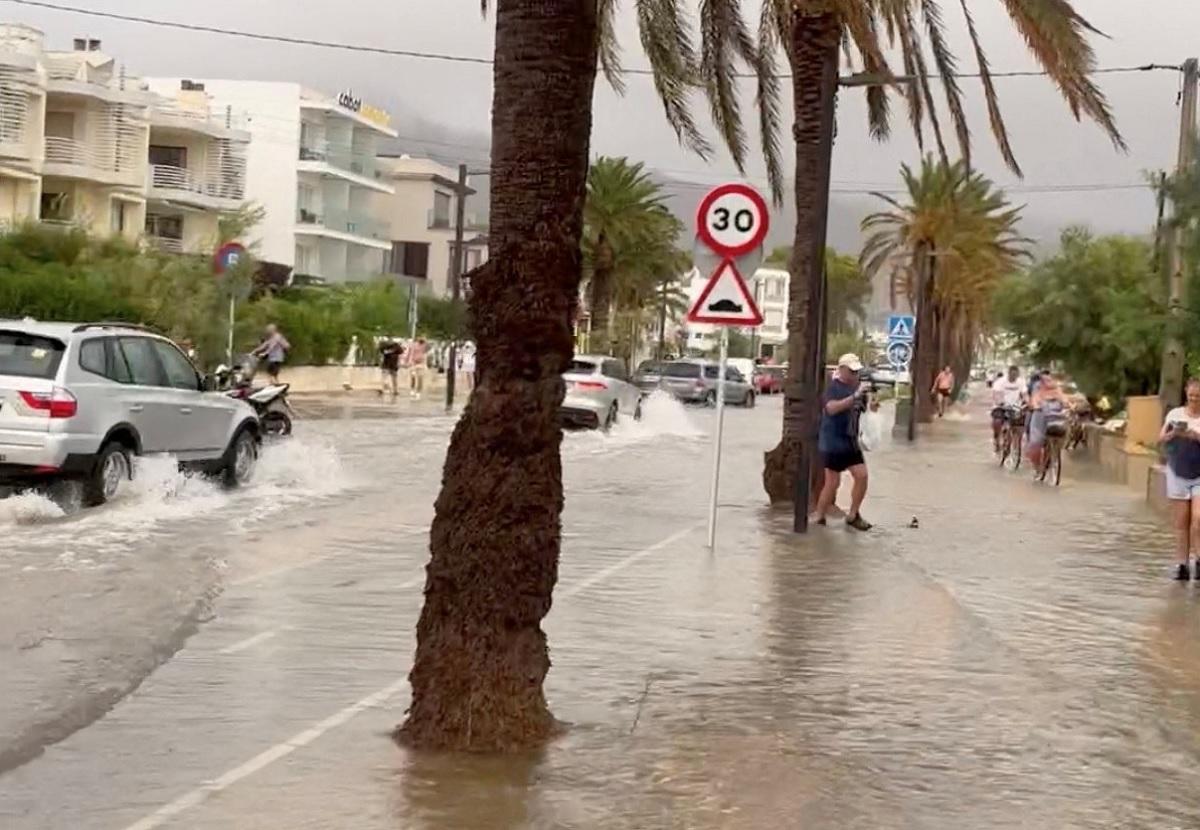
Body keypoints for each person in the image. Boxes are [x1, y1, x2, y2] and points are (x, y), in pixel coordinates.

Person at [814, 353, 872, 531]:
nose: (855, 375)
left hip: (851, 440)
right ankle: (820, 517)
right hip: (832, 441)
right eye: (852, 371)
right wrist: (853, 397)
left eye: (857, 372)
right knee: (833, 482)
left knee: (862, 475)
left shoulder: (858, 389)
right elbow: (831, 408)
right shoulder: (834, 387)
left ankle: (853, 515)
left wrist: (870, 403)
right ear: (842, 370)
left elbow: (862, 412)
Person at [1160, 378, 1200, 580]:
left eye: (1198, 396)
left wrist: (1196, 436)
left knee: (1198, 518)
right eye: (1191, 395)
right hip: (1177, 472)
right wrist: (1174, 432)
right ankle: (1182, 564)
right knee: (1181, 522)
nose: (1194, 399)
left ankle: (1199, 559)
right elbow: (1160, 440)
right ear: (1186, 393)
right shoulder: (1174, 414)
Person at [1027, 374, 1070, 472]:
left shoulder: (1058, 391)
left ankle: (1053, 456)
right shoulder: (1038, 391)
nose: (1050, 382)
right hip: (1040, 418)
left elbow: (1065, 400)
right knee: (1036, 443)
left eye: (1051, 380)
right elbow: (1034, 401)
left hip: (1055, 420)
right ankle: (1037, 466)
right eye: (1047, 380)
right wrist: (1036, 406)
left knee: (1061, 434)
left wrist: (1068, 406)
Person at [990, 365, 1027, 453]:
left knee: (1021, 423)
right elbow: (996, 394)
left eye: (1016, 375)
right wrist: (1000, 402)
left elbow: (1025, 394)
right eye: (1012, 375)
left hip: (1015, 407)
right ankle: (996, 438)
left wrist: (1027, 402)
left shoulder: (1021, 382)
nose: (1014, 377)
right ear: (1009, 373)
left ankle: (1016, 442)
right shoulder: (1000, 382)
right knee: (997, 421)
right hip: (1001, 406)